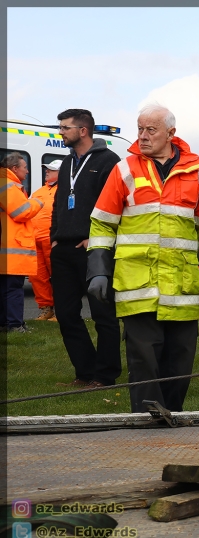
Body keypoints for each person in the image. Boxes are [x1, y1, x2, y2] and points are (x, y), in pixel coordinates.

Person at [87, 104, 199, 412]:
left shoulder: (196, 172)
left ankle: (171, 421)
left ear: (171, 134)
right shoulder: (125, 169)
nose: (143, 136)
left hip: (182, 287)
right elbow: (103, 222)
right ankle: (145, 427)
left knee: (180, 362)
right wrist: (97, 269)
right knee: (144, 362)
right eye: (140, 129)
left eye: (151, 130)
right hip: (138, 287)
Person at [50, 109, 122, 389]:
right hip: (64, 249)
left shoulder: (109, 161)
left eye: (65, 128)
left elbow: (116, 203)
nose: (61, 132)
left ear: (83, 130)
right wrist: (54, 237)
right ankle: (85, 371)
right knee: (66, 314)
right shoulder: (67, 163)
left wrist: (97, 238)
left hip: (95, 249)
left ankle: (105, 375)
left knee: (103, 314)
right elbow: (58, 203)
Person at [1, 153, 44, 332]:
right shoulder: (8, 186)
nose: (27, 171)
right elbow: (21, 212)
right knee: (14, 289)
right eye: (25, 167)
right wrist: (36, 202)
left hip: (8, 248)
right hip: (12, 250)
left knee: (5, 289)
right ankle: (15, 324)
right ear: (14, 169)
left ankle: (5, 323)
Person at [28, 159, 62, 321]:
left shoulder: (65, 190)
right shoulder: (39, 191)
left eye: (51, 169)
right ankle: (45, 309)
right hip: (35, 239)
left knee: (59, 276)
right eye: (47, 169)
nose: (47, 171)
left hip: (53, 239)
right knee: (37, 276)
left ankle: (62, 310)